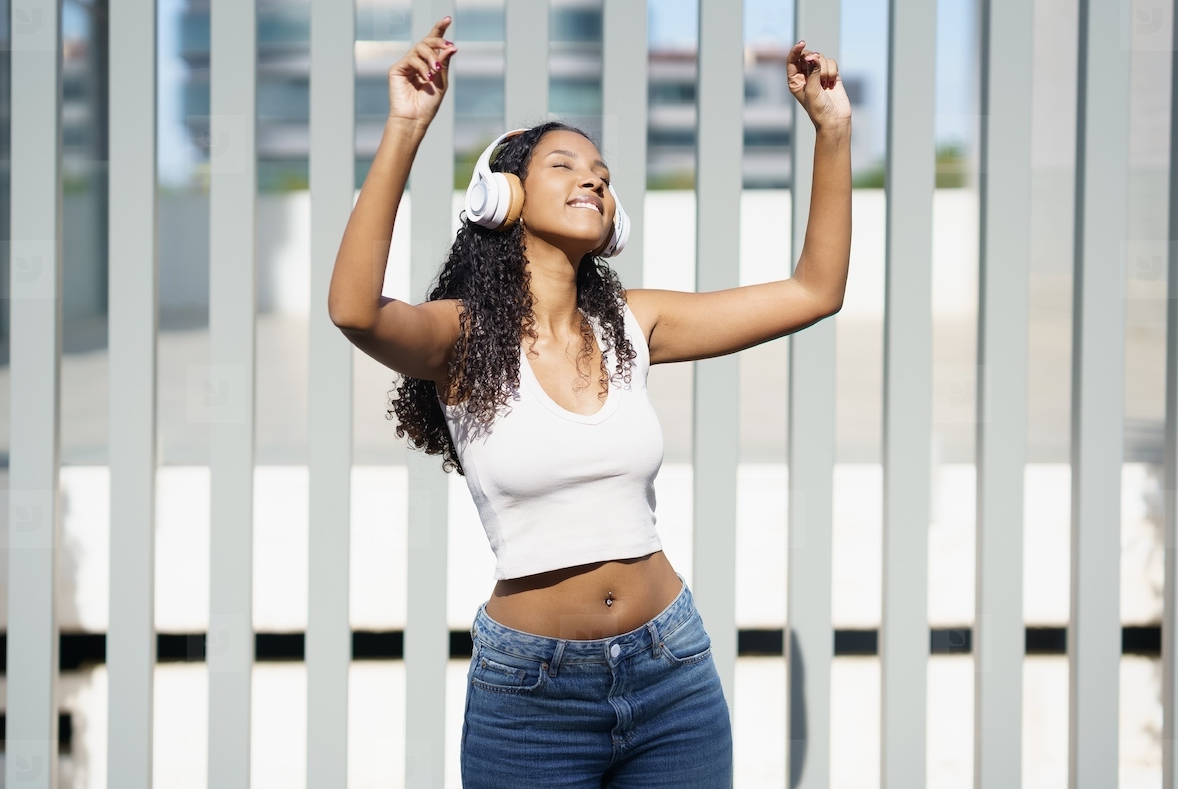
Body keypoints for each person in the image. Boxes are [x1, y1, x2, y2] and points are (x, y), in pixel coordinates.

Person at [328, 16, 851, 788]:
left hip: (670, 669)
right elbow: (355, 310)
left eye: (602, 172)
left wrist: (831, 130)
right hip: (532, 697)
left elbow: (815, 291)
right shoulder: (461, 338)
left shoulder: (634, 325)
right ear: (500, 198)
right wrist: (407, 126)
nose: (594, 178)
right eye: (564, 163)